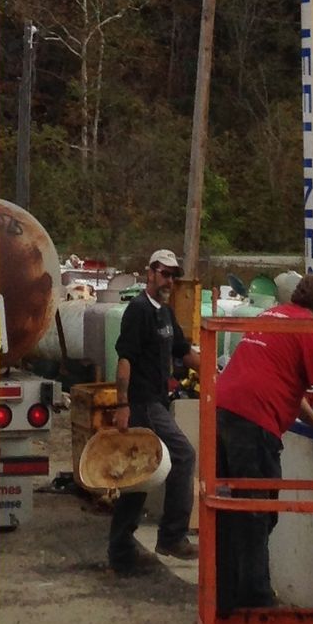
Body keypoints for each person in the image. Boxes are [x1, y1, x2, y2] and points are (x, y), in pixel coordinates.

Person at [211, 269, 313, 614]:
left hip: (223, 409)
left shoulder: (272, 316)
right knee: (258, 510)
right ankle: (256, 602)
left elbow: (275, 373)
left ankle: (225, 598)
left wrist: (312, 418)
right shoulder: (311, 329)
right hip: (254, 421)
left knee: (231, 510)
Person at [107, 246, 196, 574]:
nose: (168, 280)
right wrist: (123, 405)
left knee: (139, 473)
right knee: (184, 455)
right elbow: (125, 359)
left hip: (158, 401)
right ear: (150, 273)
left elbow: (183, 352)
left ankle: (120, 549)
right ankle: (172, 536)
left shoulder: (165, 313)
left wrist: (219, 372)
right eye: (163, 273)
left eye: (173, 275)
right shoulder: (139, 311)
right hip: (142, 403)